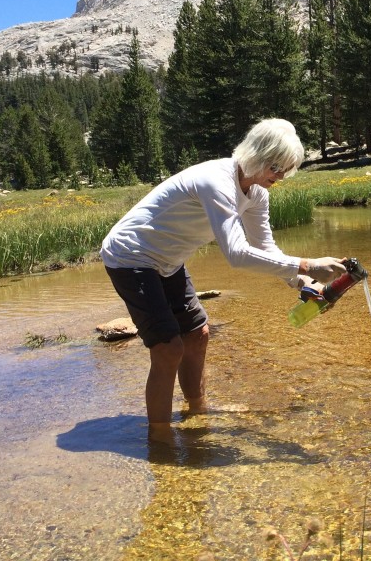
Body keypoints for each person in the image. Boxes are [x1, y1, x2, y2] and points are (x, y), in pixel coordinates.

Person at [100, 118, 346, 436]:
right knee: (167, 348)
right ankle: (159, 438)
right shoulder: (216, 181)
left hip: (168, 261)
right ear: (257, 154)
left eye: (287, 169)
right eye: (277, 167)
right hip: (130, 255)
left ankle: (197, 411)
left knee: (198, 334)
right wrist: (308, 265)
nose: (281, 176)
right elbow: (237, 254)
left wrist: (301, 282)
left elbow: (264, 247)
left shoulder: (257, 193)